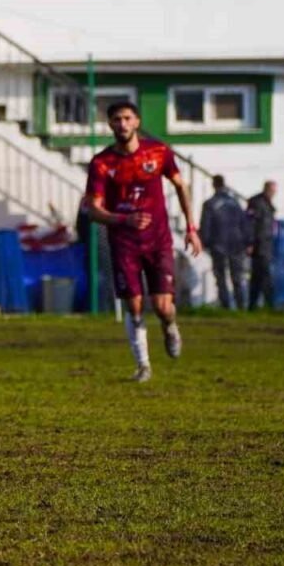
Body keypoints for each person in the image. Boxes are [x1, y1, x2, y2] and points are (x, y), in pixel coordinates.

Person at [82, 102, 201, 383]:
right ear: (110, 125)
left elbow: (180, 186)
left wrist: (191, 228)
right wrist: (124, 220)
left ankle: (169, 326)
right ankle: (143, 365)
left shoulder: (158, 152)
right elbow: (93, 209)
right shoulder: (102, 163)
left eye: (127, 118)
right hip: (124, 243)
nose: (122, 124)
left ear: (137, 121)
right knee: (134, 306)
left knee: (162, 306)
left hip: (158, 241)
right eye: (116, 119)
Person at [198, 174, 248, 310]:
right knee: (237, 276)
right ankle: (241, 305)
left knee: (220, 277)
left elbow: (205, 225)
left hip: (218, 244)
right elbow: (244, 223)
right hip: (237, 243)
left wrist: (205, 242)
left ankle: (225, 305)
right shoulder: (235, 202)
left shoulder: (209, 204)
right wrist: (247, 241)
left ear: (213, 185)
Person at [246, 180, 278, 310]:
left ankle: (253, 305)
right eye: (272, 190)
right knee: (265, 275)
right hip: (259, 244)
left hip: (266, 244)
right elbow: (251, 224)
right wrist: (250, 242)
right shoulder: (257, 202)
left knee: (257, 276)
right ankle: (270, 304)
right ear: (266, 189)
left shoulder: (267, 203)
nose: (274, 193)